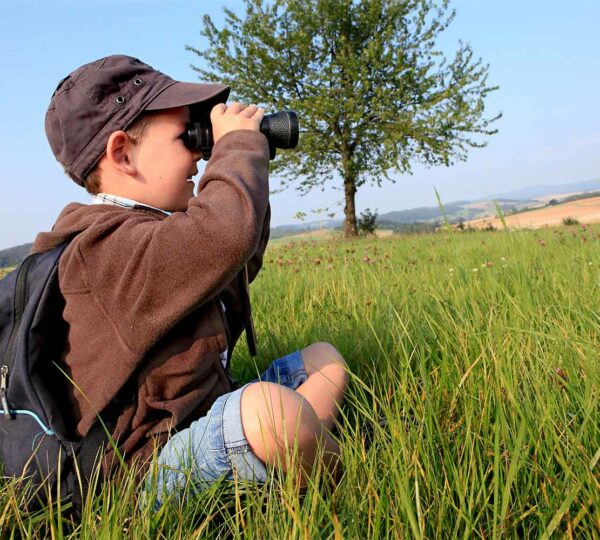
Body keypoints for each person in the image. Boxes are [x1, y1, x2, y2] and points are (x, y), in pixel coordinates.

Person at [33, 54, 349, 506]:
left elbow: (234, 264)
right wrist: (236, 150)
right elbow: (223, 238)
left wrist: (248, 162)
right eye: (188, 136)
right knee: (267, 411)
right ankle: (348, 482)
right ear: (122, 153)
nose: (202, 154)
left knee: (323, 359)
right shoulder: (102, 250)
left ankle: (287, 459)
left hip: (203, 412)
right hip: (144, 470)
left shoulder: (152, 232)